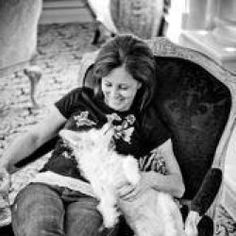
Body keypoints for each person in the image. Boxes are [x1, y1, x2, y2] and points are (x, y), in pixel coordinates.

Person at [0, 34, 186, 236]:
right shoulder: (80, 98)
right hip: (48, 184)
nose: (113, 94)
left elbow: (178, 185)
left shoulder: (148, 120)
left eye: (123, 87)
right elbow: (35, 137)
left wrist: (147, 179)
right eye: (108, 84)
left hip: (96, 198)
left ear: (140, 83)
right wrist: (2, 167)